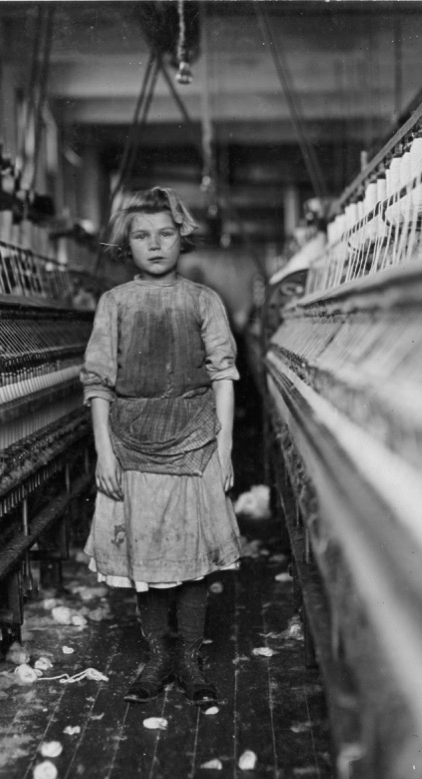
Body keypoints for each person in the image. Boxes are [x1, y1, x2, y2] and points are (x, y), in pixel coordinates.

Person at [80, 187, 242, 708]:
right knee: (145, 559)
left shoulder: (203, 301)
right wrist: (105, 453)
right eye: (142, 235)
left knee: (194, 560)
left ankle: (190, 660)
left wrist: (226, 447)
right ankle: (156, 660)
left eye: (166, 234)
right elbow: (99, 383)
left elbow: (224, 375)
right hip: (132, 445)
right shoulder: (115, 303)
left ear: (182, 238)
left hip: (195, 444)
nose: (155, 245)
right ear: (127, 244)